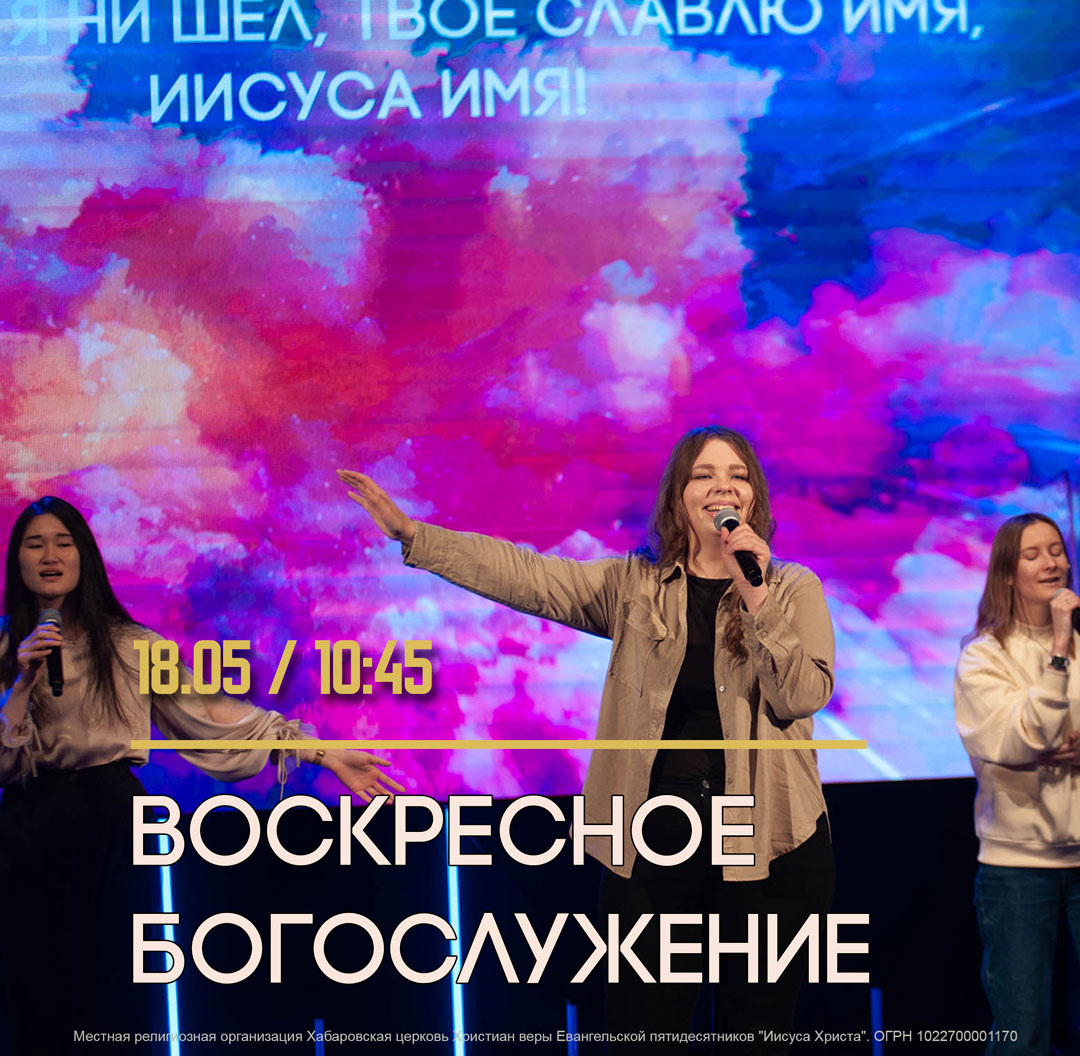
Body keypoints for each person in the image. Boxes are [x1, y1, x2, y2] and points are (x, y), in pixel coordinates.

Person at [339, 425, 836, 1051]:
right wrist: (416, 536)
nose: (722, 487)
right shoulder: (633, 587)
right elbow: (528, 576)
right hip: (656, 840)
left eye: (737, 475)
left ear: (754, 497)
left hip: (769, 842)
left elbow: (800, 696)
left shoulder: (791, 589)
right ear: (679, 495)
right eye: (704, 475)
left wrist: (755, 596)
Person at [0, 496, 402, 1055]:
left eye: (63, 542)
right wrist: (21, 684)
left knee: (113, 980)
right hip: (26, 824)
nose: (50, 555)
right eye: (35, 543)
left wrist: (320, 753)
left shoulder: (133, 645)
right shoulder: (8, 650)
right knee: (33, 986)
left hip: (109, 820)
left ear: (84, 556)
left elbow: (210, 713)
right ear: (16, 560)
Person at [954, 513, 1080, 1056]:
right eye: (1033, 555)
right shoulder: (985, 656)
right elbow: (1025, 738)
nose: (1051, 563)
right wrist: (1059, 648)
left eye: (1056, 550)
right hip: (1018, 866)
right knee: (1022, 1033)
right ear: (1007, 573)